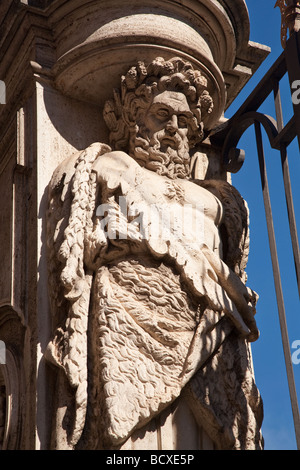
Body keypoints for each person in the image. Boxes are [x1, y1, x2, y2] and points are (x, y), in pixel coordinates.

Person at [46, 57, 262, 450]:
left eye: (184, 120)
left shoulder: (216, 196)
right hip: (134, 311)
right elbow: (95, 242)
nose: (174, 129)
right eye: (162, 114)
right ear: (134, 118)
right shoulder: (116, 166)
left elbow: (232, 270)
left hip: (211, 327)